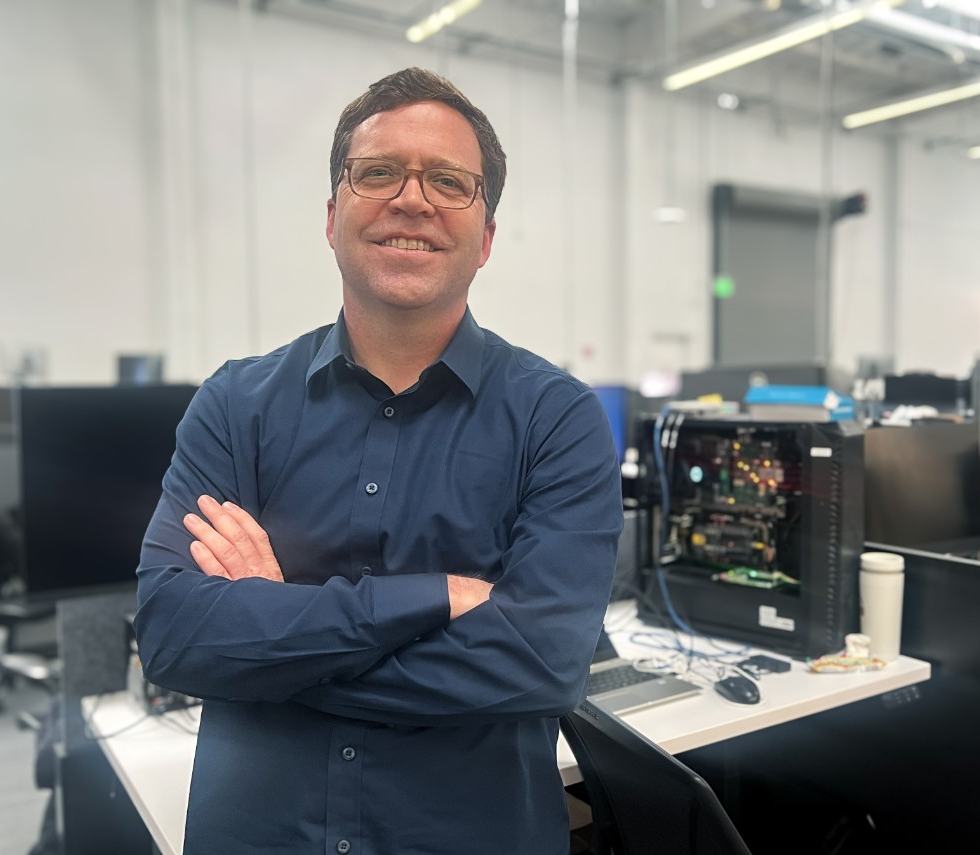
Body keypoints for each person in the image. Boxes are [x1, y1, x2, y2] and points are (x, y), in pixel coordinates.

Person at [133, 67, 624, 855]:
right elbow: (171, 634)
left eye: (449, 181)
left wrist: (272, 626)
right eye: (379, 172)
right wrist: (428, 599)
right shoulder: (235, 403)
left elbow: (541, 662)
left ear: (486, 236)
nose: (412, 199)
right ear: (333, 217)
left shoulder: (556, 417)